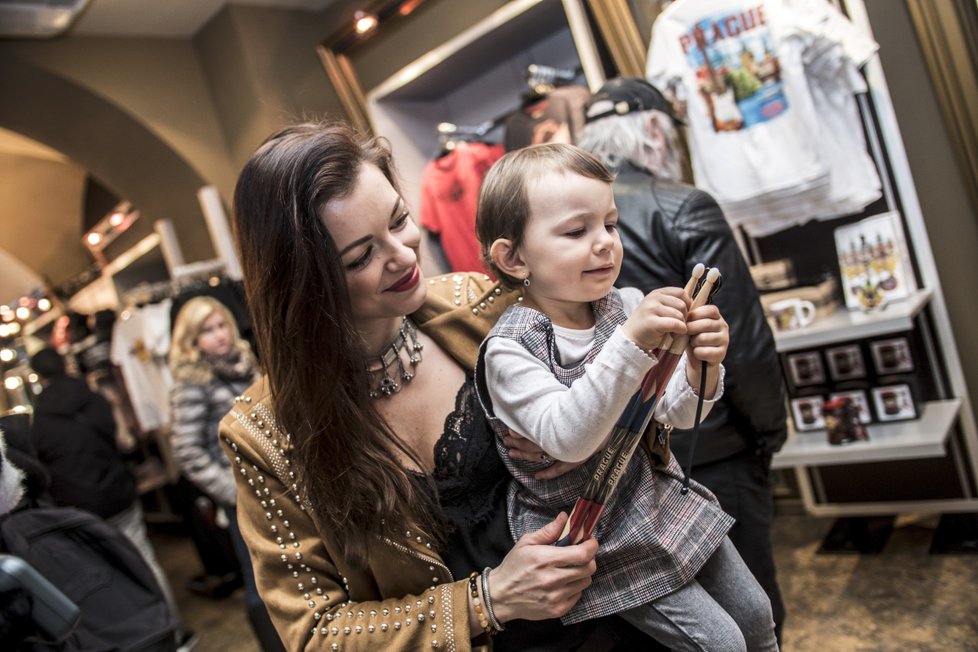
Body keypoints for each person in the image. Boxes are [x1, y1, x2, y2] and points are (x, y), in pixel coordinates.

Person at [220, 120, 664, 651]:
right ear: (304, 285)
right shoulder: (263, 434)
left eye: (399, 220)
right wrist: (488, 600)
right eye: (361, 256)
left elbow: (625, 397)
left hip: (620, 614)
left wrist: (609, 425)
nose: (404, 255)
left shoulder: (483, 306)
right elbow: (316, 634)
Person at [474, 142, 778, 651]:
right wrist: (632, 342)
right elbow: (568, 437)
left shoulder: (624, 305)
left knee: (756, 613)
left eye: (610, 225)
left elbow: (677, 413)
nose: (605, 243)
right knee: (720, 642)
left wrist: (703, 364)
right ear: (514, 256)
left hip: (655, 497)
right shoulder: (509, 350)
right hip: (598, 533)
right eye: (577, 231)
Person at [578, 76, 788, 641]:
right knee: (752, 618)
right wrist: (769, 433)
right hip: (708, 441)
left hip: (625, 466)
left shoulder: (567, 227)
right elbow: (737, 334)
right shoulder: (683, 204)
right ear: (653, 128)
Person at [27, 347, 189, 645]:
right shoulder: (94, 400)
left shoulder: (40, 422)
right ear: (65, 364)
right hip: (118, 493)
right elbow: (123, 442)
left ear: (39, 377)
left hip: (80, 509)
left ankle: (142, 638)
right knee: (145, 560)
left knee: (109, 577)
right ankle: (172, 631)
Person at [169, 297, 283, 652]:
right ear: (190, 339)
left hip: (278, 484)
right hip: (243, 496)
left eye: (221, 326)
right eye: (206, 330)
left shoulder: (245, 363)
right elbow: (187, 450)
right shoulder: (192, 382)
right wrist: (233, 491)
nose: (218, 336)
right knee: (260, 581)